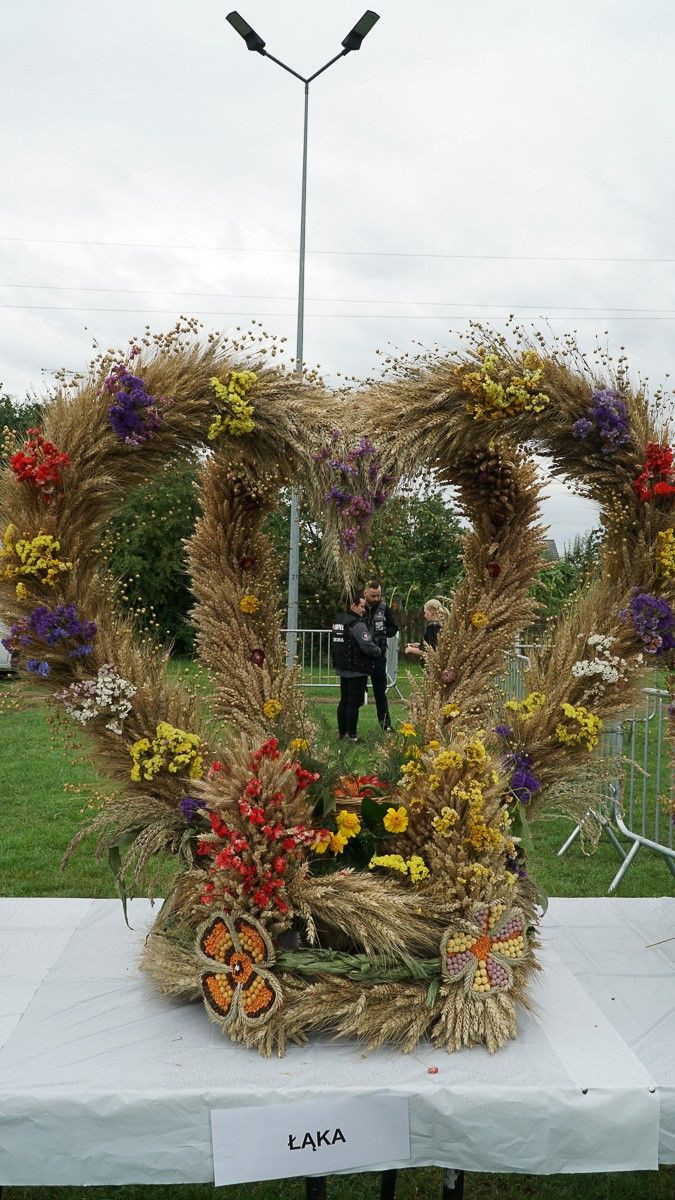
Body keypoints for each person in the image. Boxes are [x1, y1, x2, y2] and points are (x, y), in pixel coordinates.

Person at [330, 590, 382, 742]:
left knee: (344, 700)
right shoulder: (356, 624)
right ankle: (352, 735)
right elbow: (367, 645)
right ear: (353, 606)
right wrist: (378, 651)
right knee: (354, 702)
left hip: (342, 666)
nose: (364, 610)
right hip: (356, 668)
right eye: (362, 606)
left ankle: (342, 733)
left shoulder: (339, 621)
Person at [363, 580, 398, 731]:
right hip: (361, 656)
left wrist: (383, 632)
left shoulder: (384, 609)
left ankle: (386, 725)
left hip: (378, 655)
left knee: (380, 692)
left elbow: (393, 628)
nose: (376, 599)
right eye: (373, 595)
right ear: (365, 592)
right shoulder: (358, 606)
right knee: (355, 692)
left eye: (379, 595)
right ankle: (349, 729)